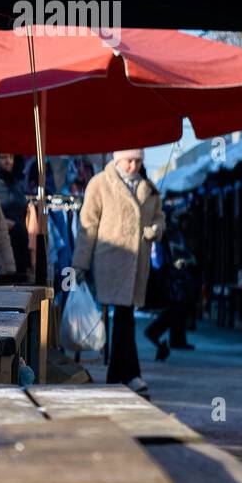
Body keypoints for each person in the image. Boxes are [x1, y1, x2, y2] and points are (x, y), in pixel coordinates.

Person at [71, 149, 165, 396]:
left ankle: (118, 375)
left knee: (124, 317)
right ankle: (131, 375)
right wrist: (80, 263)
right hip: (111, 261)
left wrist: (156, 229)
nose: (133, 166)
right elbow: (87, 226)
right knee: (124, 316)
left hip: (137, 262)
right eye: (129, 161)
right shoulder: (100, 184)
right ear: (117, 159)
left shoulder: (149, 188)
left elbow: (160, 217)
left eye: (137, 161)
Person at [143, 215, 198, 361]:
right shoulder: (163, 233)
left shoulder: (166, 234)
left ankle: (164, 337)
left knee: (176, 306)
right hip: (161, 276)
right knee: (175, 306)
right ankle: (156, 333)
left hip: (163, 275)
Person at [0, 152, 30, 281]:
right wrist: (3, 223)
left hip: (20, 248)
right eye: (3, 157)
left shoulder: (15, 181)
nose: (8, 161)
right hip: (1, 249)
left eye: (10, 157)